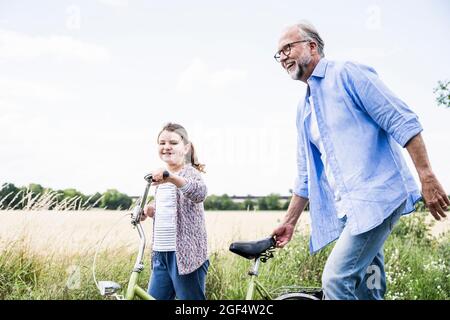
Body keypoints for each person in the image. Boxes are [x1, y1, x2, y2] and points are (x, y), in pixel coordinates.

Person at [271, 21, 449, 300]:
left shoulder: (347, 74)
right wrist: (290, 221)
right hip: (349, 211)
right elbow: (305, 174)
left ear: (312, 46)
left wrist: (426, 176)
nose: (282, 57)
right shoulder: (304, 108)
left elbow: (401, 119)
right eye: (278, 53)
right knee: (368, 290)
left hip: (378, 198)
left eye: (287, 48)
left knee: (335, 280)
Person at [140, 122, 209, 300]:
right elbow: (170, 209)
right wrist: (149, 210)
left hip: (186, 255)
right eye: (162, 143)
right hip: (160, 254)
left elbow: (199, 193)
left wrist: (170, 178)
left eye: (173, 142)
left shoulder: (189, 173)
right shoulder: (159, 180)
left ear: (185, 148)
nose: (166, 146)